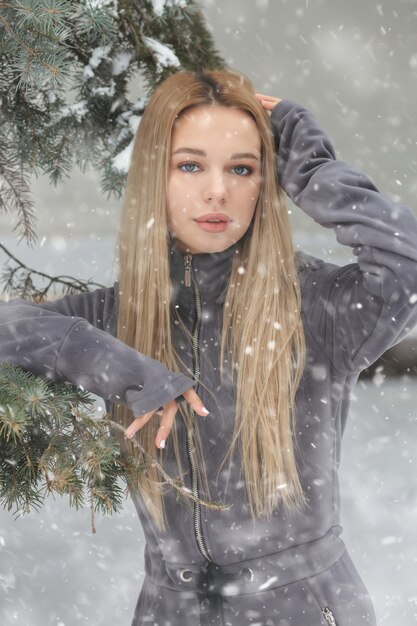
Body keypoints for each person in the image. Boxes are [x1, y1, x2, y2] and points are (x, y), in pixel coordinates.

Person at [1, 68, 417, 626]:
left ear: (266, 182)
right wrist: (111, 363)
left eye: (242, 168)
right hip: (168, 611)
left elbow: (406, 267)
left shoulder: (316, 306)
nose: (217, 190)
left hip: (306, 610)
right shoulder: (117, 316)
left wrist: (312, 168)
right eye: (190, 165)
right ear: (156, 176)